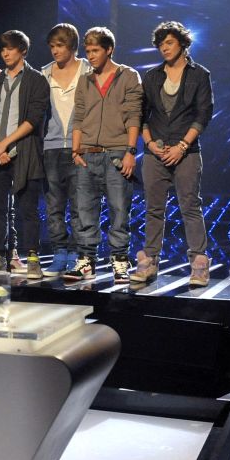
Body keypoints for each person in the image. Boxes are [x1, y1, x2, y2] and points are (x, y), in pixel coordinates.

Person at [130, 21, 214, 287]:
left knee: (190, 206)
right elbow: (141, 115)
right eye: (160, 44)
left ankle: (199, 265)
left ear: (182, 43)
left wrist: (182, 146)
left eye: (169, 43)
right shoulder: (152, 76)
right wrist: (150, 144)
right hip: (155, 151)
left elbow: (203, 114)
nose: (164, 48)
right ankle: (149, 262)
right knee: (153, 209)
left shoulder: (199, 74)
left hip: (186, 151)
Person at [65, 26, 143, 282]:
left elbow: (134, 116)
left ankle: (120, 260)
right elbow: (78, 117)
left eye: (95, 50)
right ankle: (86, 260)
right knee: (85, 210)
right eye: (88, 51)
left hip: (117, 153)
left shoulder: (128, 76)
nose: (91, 55)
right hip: (86, 154)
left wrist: (131, 151)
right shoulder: (85, 79)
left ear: (109, 49)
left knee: (119, 210)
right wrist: (76, 150)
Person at [0, 30, 48, 280]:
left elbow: (34, 119)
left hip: (24, 152)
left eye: (11, 48)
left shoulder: (37, 80)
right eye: (3, 48)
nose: (5, 53)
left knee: (27, 208)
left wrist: (5, 144)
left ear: (23, 51)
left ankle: (33, 258)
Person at [40, 24, 93, 276]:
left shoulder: (88, 70)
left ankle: (78, 254)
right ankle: (59, 253)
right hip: (51, 147)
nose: (55, 51)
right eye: (52, 46)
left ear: (71, 46)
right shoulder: (44, 74)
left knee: (80, 204)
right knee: (54, 205)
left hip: (80, 147)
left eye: (59, 46)